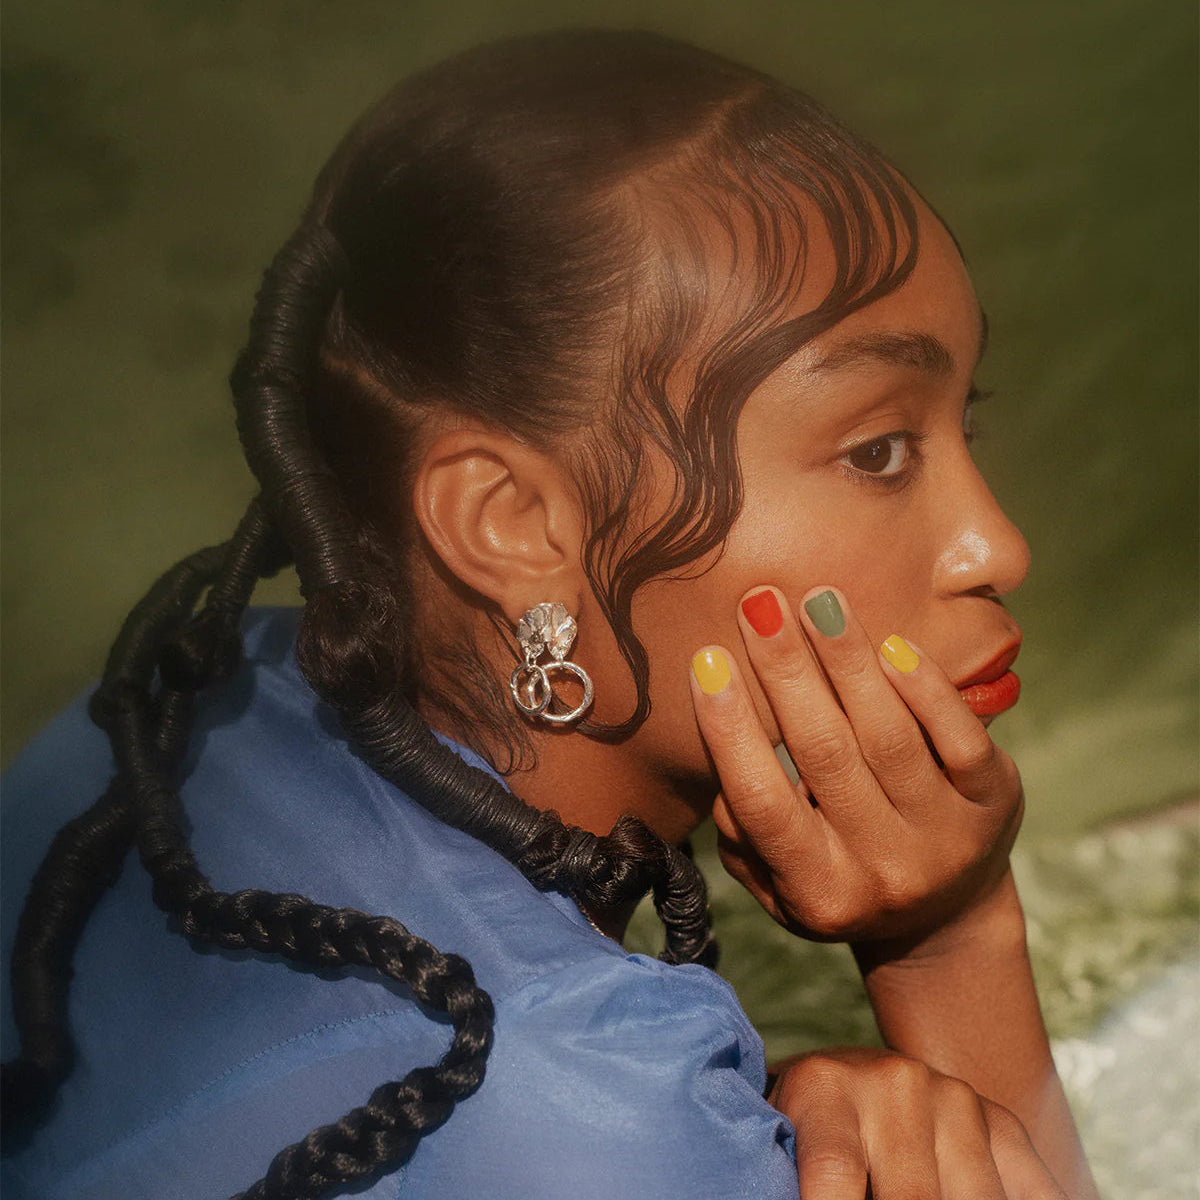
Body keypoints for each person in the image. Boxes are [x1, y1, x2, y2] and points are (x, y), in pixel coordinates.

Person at [1, 29, 1099, 1200]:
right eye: (878, 449)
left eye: (958, 428)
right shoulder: (614, 1134)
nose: (998, 546)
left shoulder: (177, 726)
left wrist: (756, 1101)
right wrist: (950, 944)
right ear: (512, 524)